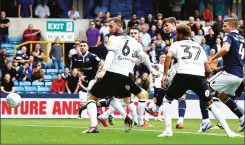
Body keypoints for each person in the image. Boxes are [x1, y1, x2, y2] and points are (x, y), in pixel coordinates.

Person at [158, 23, 241, 137]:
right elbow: (207, 69)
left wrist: (165, 75)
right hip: (198, 77)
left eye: (177, 33)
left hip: (182, 75)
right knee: (210, 104)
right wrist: (204, 81)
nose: (176, 35)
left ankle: (168, 131)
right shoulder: (199, 47)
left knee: (167, 100)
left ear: (181, 34)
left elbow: (168, 57)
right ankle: (229, 131)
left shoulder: (176, 44)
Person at [83, 18, 157, 133]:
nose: (109, 28)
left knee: (91, 98)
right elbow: (145, 57)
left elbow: (111, 54)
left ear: (119, 25)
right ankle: (127, 117)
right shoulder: (135, 43)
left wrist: (104, 70)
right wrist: (152, 70)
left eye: (111, 26)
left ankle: (94, 126)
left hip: (112, 73)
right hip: (126, 77)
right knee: (116, 97)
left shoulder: (113, 38)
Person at [208, 17, 245, 132]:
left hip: (229, 73)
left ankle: (206, 121)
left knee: (203, 89)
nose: (223, 28)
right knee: (223, 96)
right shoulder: (242, 39)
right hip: (239, 75)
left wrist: (213, 58)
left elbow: (225, 49)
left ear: (233, 26)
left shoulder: (229, 36)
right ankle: (242, 117)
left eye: (225, 26)